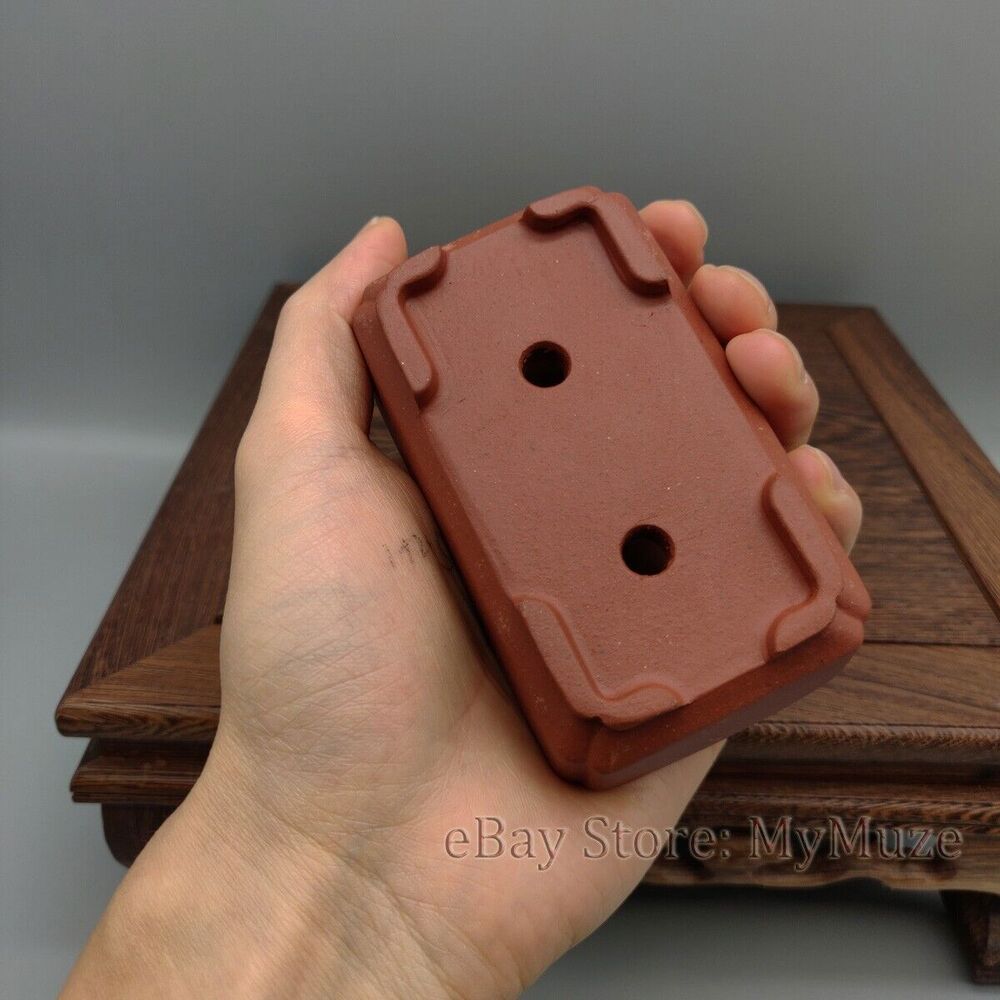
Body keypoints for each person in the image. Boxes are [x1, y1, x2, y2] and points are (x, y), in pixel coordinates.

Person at [61, 201, 862, 999]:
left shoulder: (553, 256)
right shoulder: (459, 293)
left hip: (695, 653)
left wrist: (310, 872)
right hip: (615, 687)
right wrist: (314, 847)